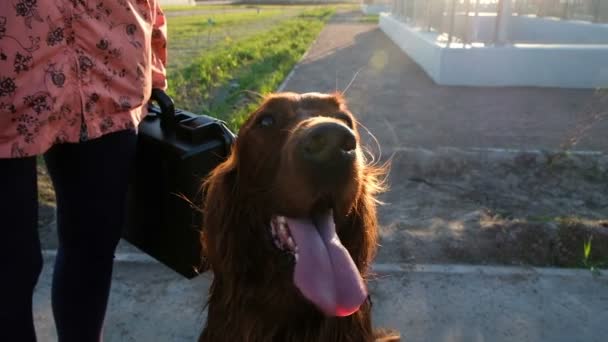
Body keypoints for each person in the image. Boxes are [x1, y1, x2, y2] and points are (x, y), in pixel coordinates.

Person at [0, 1, 167, 341]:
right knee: (8, 265)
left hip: (111, 70)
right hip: (9, 73)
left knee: (93, 247)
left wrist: (153, 65)